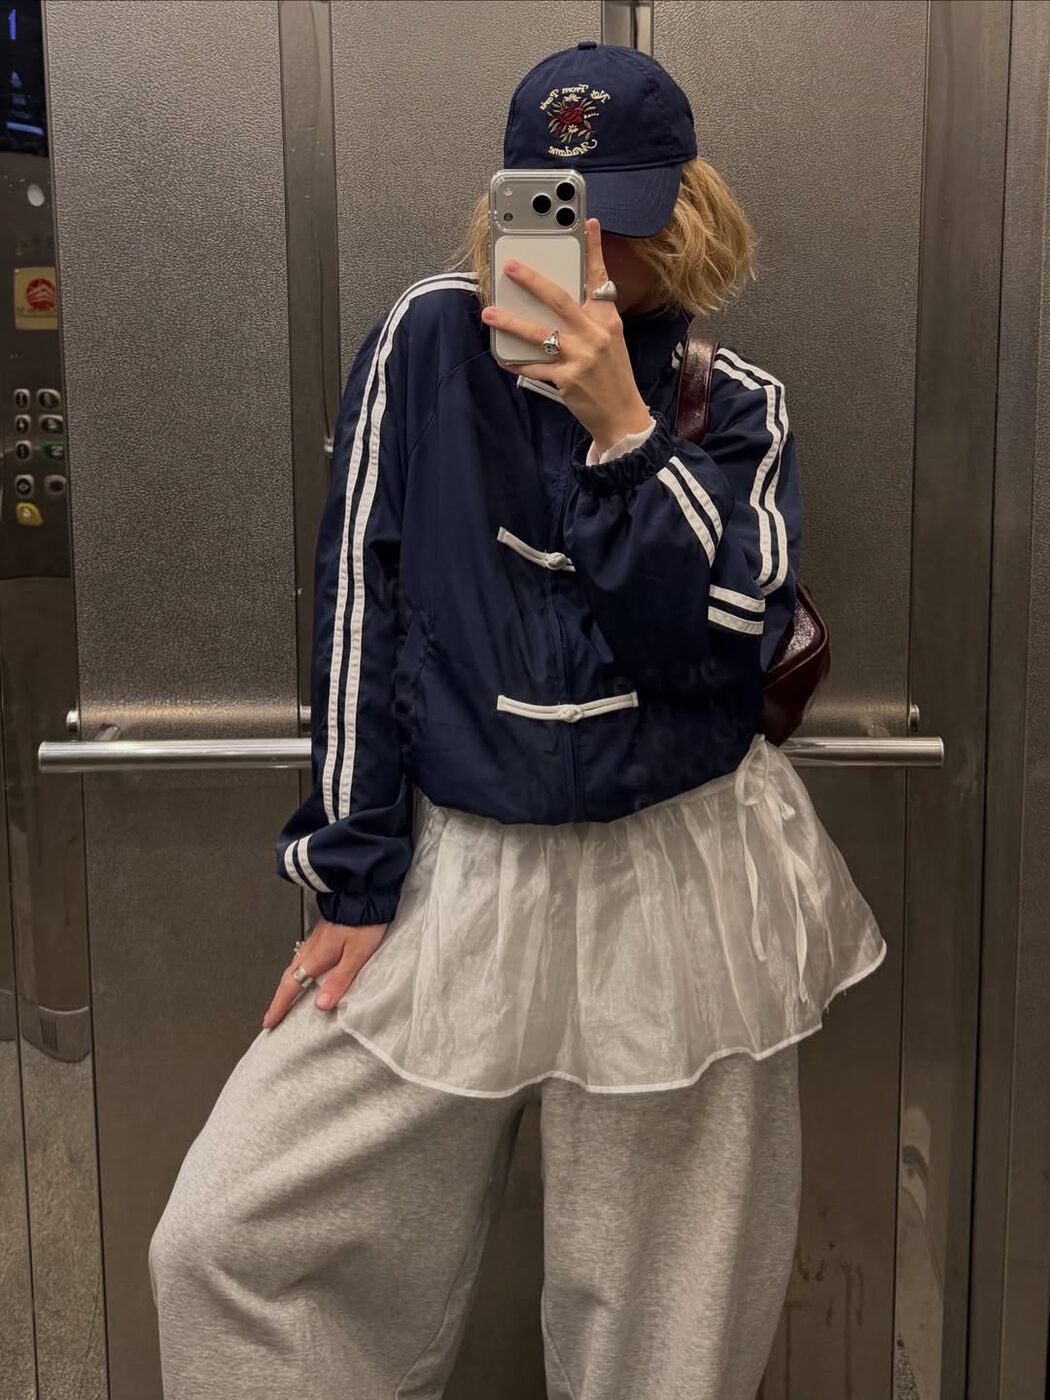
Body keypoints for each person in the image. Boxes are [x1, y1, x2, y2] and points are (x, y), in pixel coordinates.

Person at [148, 41, 886, 1400]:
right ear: (508, 207)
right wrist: (351, 869)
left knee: (661, 1340)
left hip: (683, 881)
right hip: (458, 868)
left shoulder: (735, 407)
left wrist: (623, 431)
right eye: (558, 213)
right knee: (231, 1242)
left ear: (688, 211)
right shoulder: (427, 344)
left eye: (627, 217)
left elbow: (713, 655)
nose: (593, 254)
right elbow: (360, 605)